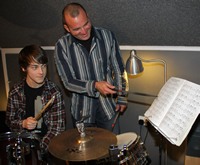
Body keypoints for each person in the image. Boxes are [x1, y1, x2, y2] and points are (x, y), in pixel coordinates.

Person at [55, 3, 128, 135]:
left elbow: (119, 68)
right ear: (67, 28)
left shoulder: (107, 36)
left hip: (108, 107)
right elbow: (68, 81)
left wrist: (122, 95)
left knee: (112, 149)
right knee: (87, 154)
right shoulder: (61, 46)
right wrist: (94, 85)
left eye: (86, 24)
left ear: (88, 17)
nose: (84, 31)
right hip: (82, 111)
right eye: (77, 29)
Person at [5, 45, 66, 164]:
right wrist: (23, 123)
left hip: (46, 148)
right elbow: (9, 121)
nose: (41, 72)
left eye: (43, 66)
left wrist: (38, 149)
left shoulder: (54, 92)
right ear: (23, 68)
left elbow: (57, 129)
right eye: (35, 67)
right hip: (22, 146)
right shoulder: (15, 92)